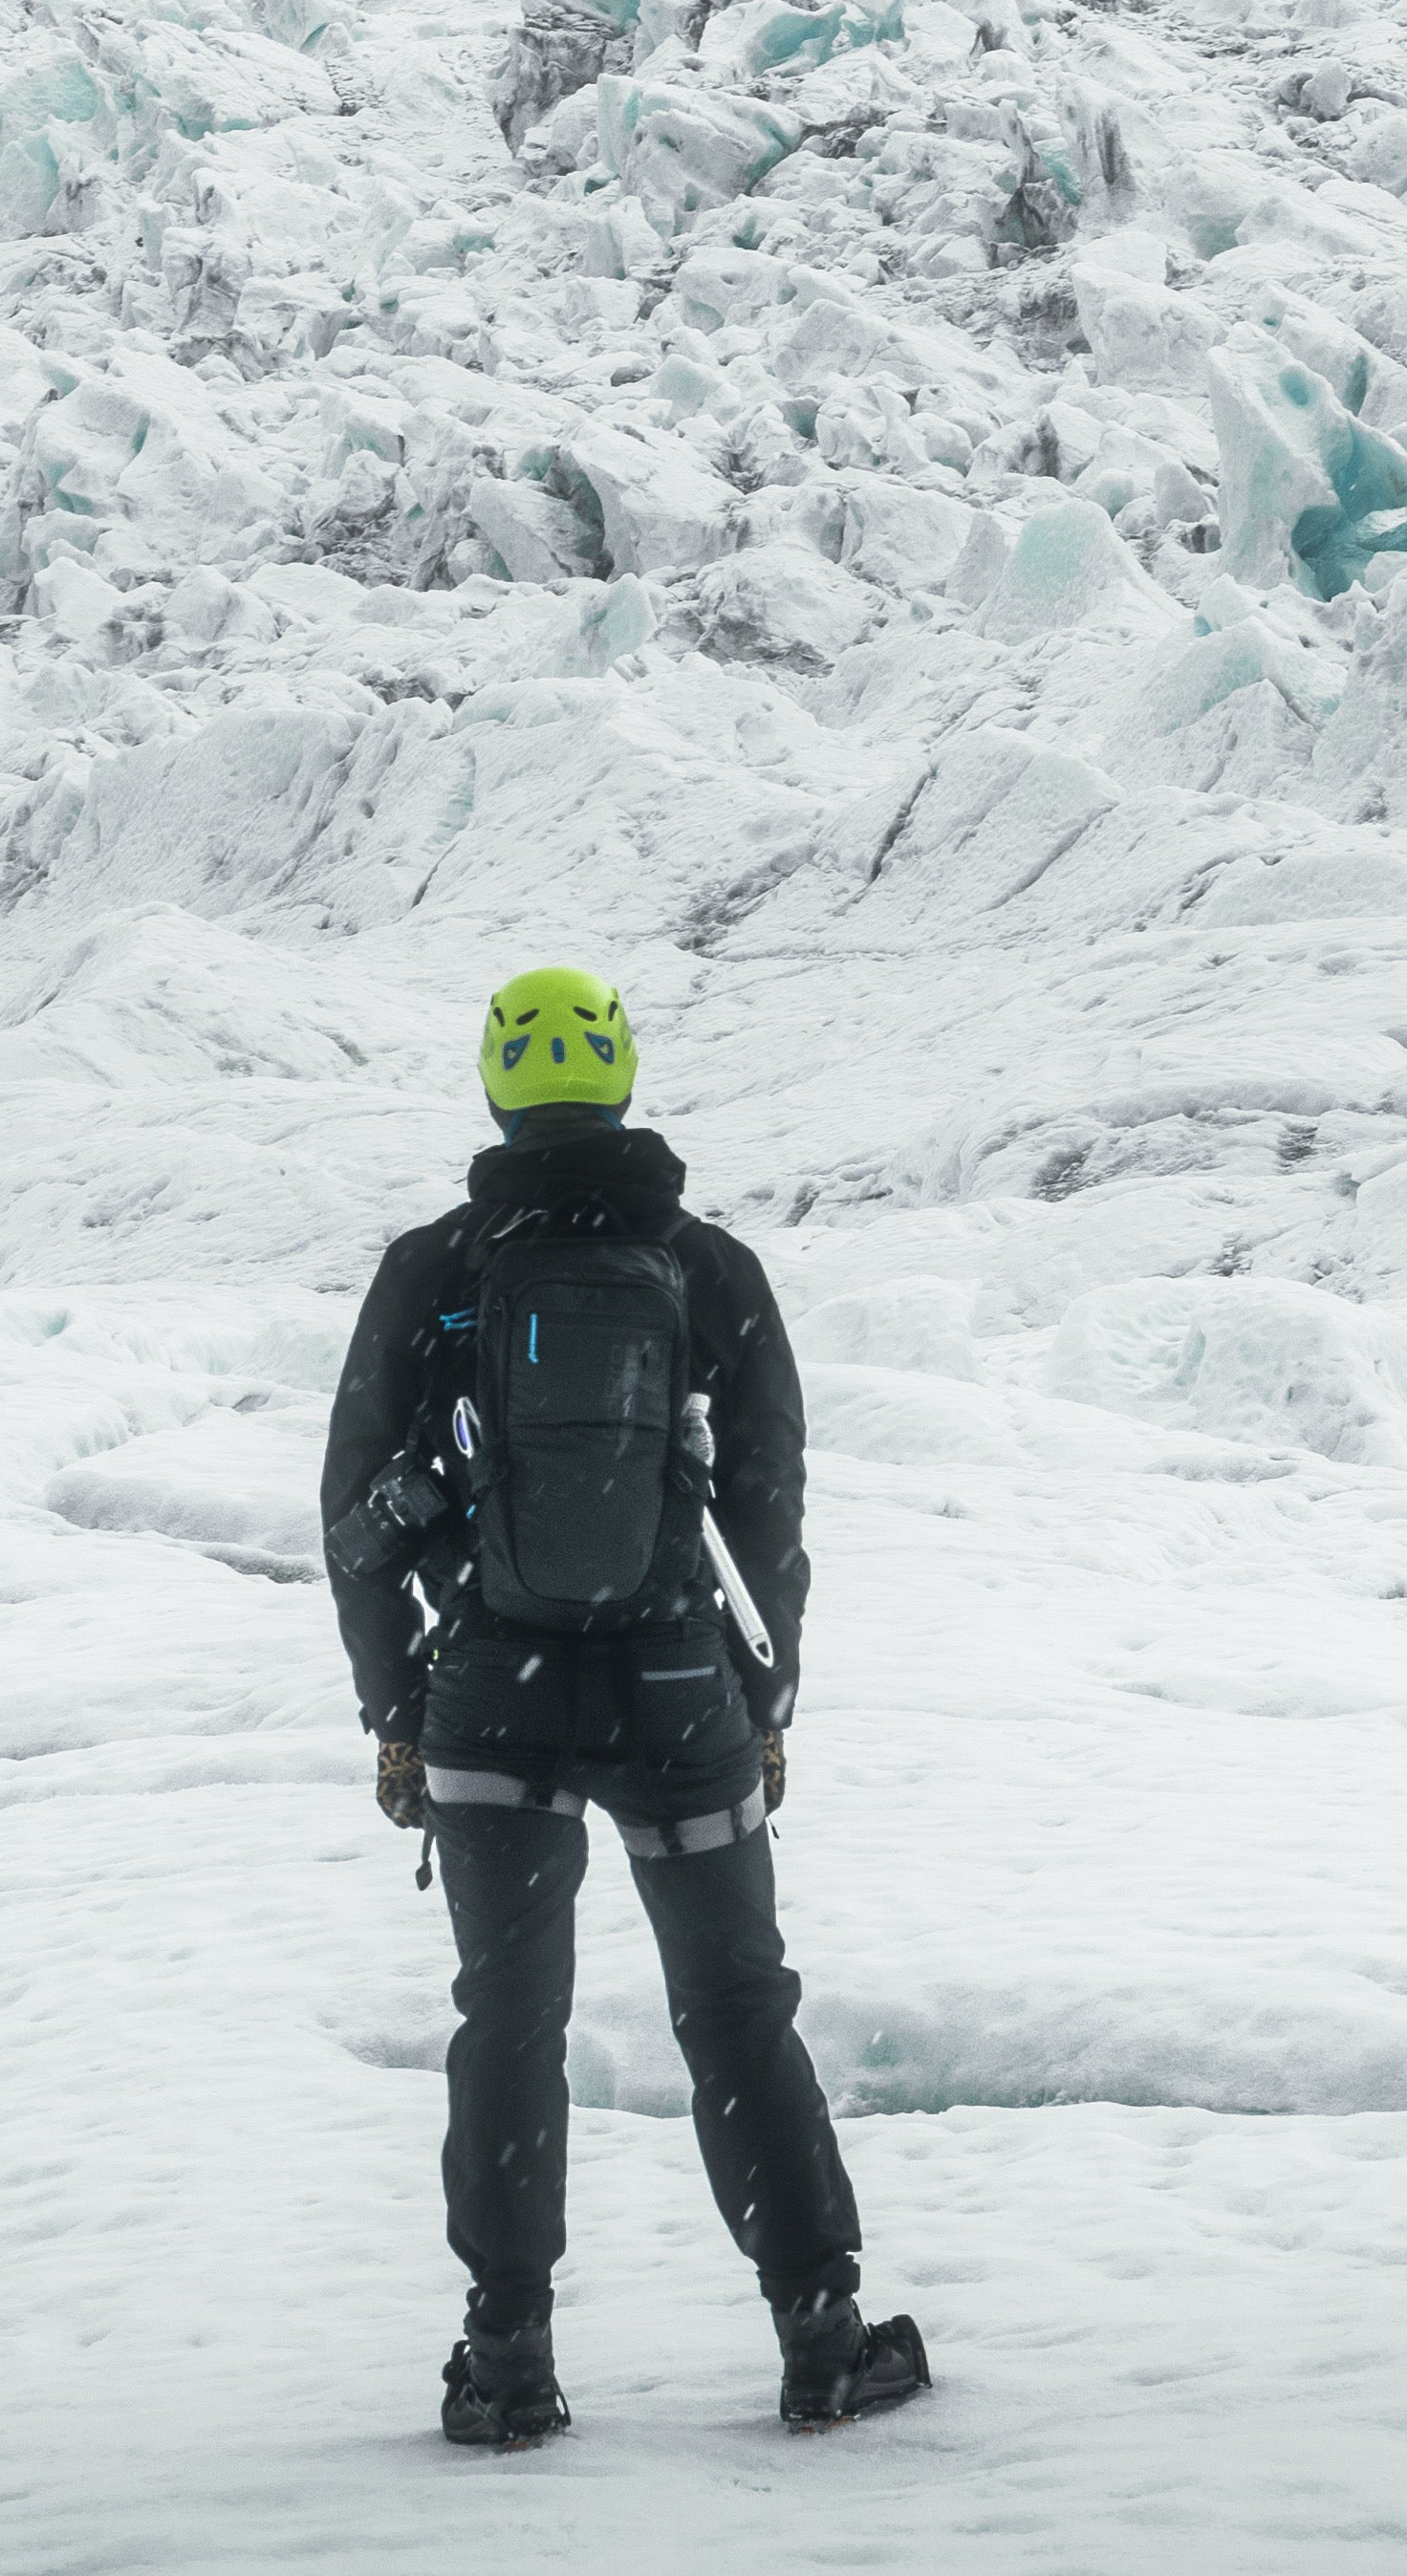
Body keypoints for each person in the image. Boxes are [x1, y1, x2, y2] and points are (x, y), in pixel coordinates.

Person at [319, 965, 929, 2451]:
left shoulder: (434, 1267)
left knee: (509, 2020)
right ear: (625, 1076)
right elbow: (769, 1502)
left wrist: (395, 1707)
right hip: (677, 1697)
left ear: (495, 1087)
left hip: (489, 1697)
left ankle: (508, 2361)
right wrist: (766, 1691)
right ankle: (821, 2336)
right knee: (735, 2007)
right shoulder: (708, 1268)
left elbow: (353, 1517)